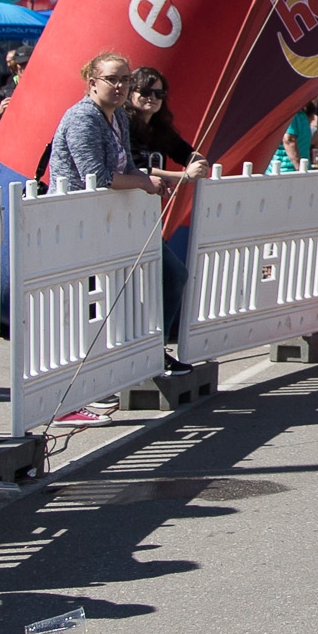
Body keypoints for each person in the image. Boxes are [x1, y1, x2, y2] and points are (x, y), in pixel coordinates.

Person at [49, 54, 198, 420]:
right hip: (76, 222)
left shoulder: (116, 118)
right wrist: (147, 182)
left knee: (168, 275)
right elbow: (95, 175)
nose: (121, 87)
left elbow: (126, 167)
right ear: (92, 81)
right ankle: (74, 391)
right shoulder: (83, 117)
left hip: (111, 222)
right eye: (113, 79)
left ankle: (147, 356)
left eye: (125, 80)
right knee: (82, 306)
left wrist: (151, 181)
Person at [125, 66, 212, 363]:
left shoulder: (160, 127)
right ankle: (149, 352)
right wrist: (183, 176)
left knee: (167, 278)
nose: (152, 98)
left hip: (148, 219)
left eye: (159, 93)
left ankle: (154, 350)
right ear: (130, 92)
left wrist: (197, 162)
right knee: (172, 276)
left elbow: (186, 152)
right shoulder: (122, 123)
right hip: (121, 217)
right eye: (145, 91)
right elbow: (136, 168)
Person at [270, 101, 315, 173]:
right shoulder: (290, 113)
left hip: (296, 170)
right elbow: (289, 140)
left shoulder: (299, 114)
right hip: (287, 171)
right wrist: (299, 168)